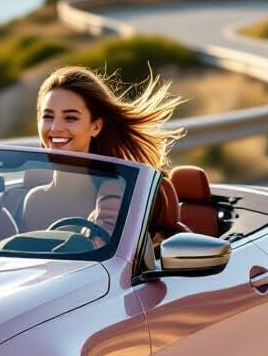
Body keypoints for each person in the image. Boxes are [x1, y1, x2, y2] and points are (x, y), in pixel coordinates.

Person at [22, 65, 183, 238]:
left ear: (96, 126)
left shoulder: (122, 200)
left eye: (70, 118)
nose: (55, 128)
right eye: (48, 116)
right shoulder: (34, 202)